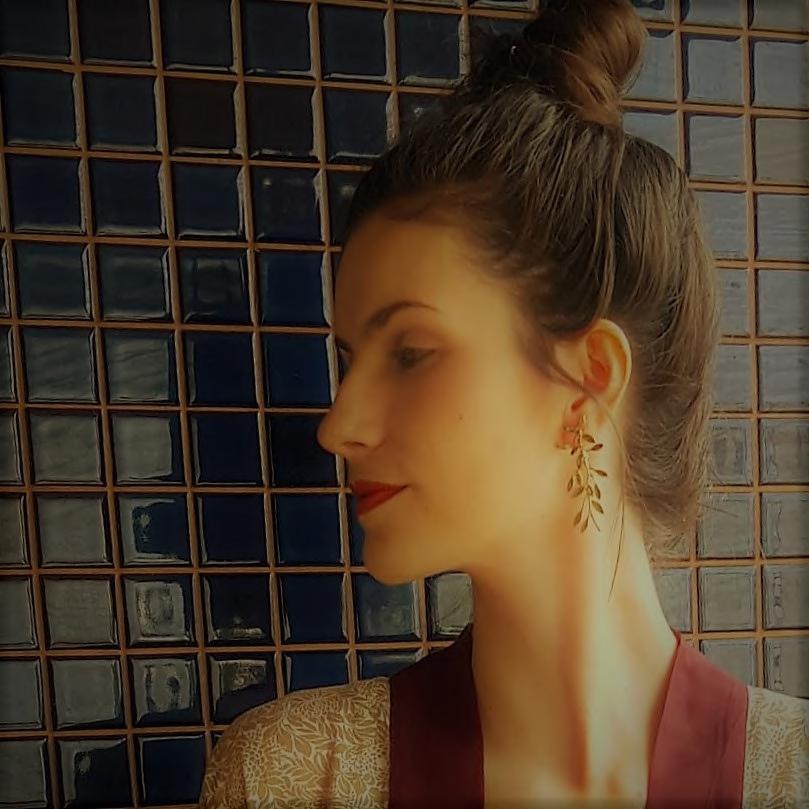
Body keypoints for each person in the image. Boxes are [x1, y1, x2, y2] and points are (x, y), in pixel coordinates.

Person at [198, 0, 809, 806]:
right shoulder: (293, 778)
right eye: (350, 360)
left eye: (409, 352)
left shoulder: (790, 774)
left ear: (590, 376)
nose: (338, 424)